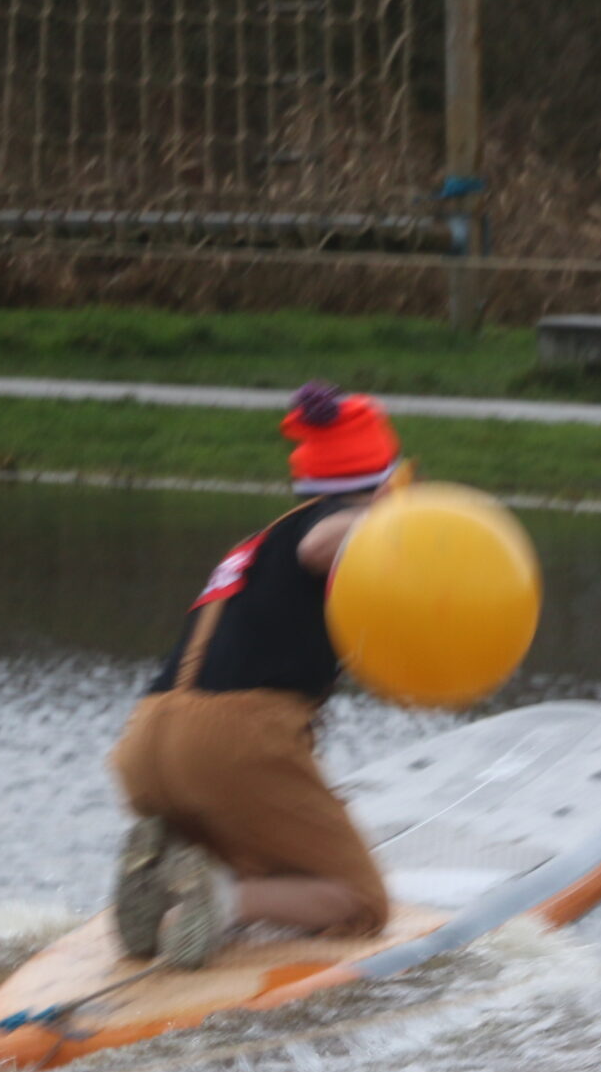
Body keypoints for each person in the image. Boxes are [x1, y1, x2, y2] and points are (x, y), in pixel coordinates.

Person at [107, 381, 404, 968]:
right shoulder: (329, 527)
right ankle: (224, 896)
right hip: (231, 742)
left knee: (271, 855)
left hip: (146, 741)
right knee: (361, 903)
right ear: (381, 485)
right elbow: (324, 543)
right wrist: (398, 519)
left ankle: (170, 875)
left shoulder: (257, 546)